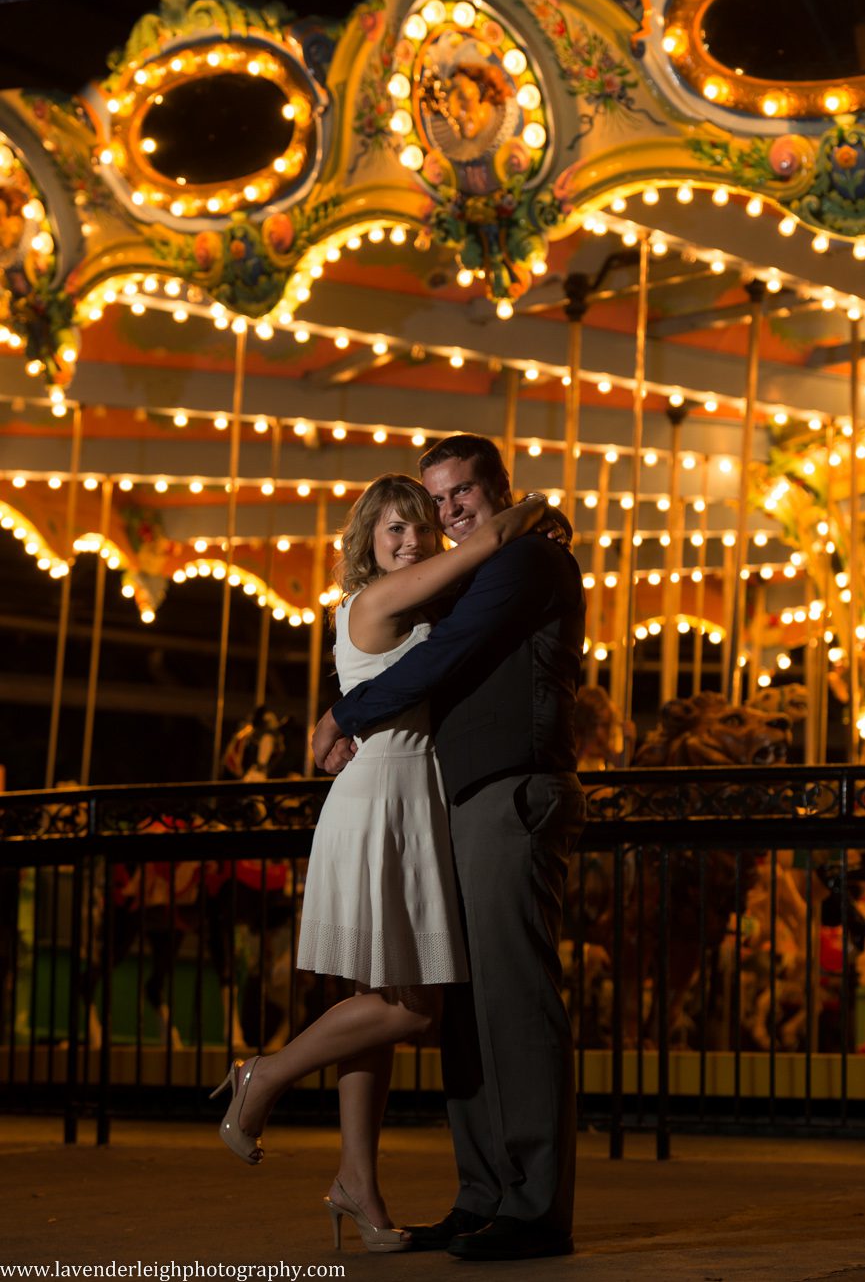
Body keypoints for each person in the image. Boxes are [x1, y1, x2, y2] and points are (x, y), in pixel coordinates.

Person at [211, 472, 549, 1254]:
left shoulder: (403, 604)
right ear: (366, 540)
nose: (411, 541)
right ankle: (263, 1074)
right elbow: (494, 538)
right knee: (413, 1008)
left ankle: (356, 1183)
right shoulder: (375, 601)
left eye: (420, 530)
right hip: (383, 801)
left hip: (400, 791)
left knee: (376, 1007)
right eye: (394, 529)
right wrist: (536, 503)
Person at [313, 435, 587, 1262]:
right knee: (466, 1005)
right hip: (460, 802)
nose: (450, 508)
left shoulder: (523, 562)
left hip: (510, 790)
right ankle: (482, 1193)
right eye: (437, 497)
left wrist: (344, 713)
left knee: (513, 1000)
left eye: (465, 490)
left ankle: (534, 1205)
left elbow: (444, 655)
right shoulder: (477, 571)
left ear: (500, 489)